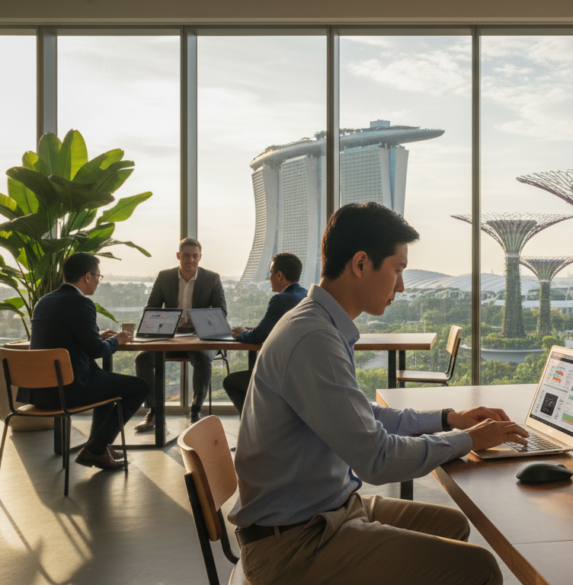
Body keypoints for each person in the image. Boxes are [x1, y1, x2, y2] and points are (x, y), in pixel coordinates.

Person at [230, 202, 528, 585]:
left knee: (450, 524)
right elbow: (377, 459)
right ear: (360, 264)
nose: (401, 286)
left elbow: (359, 413)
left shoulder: (322, 324)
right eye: (398, 270)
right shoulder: (314, 337)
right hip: (293, 546)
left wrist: (446, 419)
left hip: (328, 513)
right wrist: (467, 439)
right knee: (480, 570)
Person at [23, 253, 149, 470]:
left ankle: (97, 448)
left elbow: (63, 338)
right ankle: (96, 449)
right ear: (88, 276)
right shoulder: (81, 303)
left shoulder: (43, 301)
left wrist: (96, 335)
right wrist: (117, 340)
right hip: (68, 390)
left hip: (39, 391)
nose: (99, 281)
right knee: (141, 387)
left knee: (107, 388)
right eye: (99, 276)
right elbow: (96, 351)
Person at [134, 238, 227, 429]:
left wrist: (195, 322)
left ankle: (196, 411)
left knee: (202, 358)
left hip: (199, 337)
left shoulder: (212, 278)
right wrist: (171, 322)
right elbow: (150, 309)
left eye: (195, 256)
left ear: (200, 257)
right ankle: (154, 412)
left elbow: (221, 312)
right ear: (179, 256)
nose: (190, 260)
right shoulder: (164, 277)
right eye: (186, 255)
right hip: (170, 338)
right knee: (142, 359)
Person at [222, 253, 307, 412]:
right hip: (303, 375)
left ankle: (253, 425)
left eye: (270, 273)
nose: (269, 278)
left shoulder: (280, 300)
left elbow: (257, 337)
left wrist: (240, 333)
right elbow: (279, 329)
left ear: (279, 275)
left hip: (283, 377)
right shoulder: (306, 295)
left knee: (230, 382)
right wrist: (255, 330)